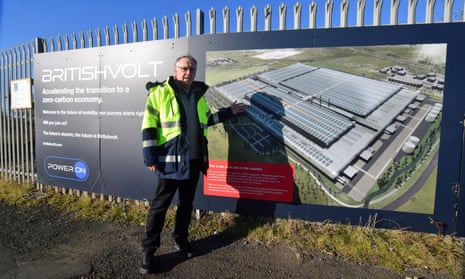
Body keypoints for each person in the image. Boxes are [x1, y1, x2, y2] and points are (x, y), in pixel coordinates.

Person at [140, 54, 245, 274]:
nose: (188, 72)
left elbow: (207, 120)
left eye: (192, 69)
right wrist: (150, 156)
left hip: (194, 161)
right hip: (170, 161)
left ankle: (181, 239)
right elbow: (148, 125)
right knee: (159, 207)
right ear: (176, 69)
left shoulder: (199, 95)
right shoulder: (159, 92)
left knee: (186, 204)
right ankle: (149, 251)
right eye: (185, 68)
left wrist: (229, 112)